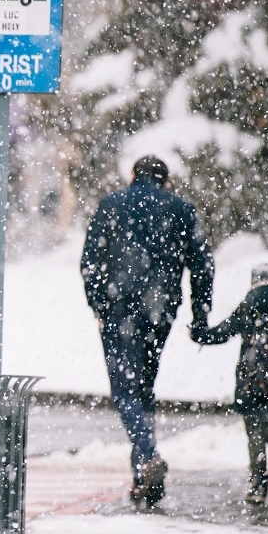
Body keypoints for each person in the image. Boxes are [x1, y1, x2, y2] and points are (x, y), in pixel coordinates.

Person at [80, 155, 214, 508]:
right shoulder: (181, 210)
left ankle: (147, 453)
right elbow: (203, 265)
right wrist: (200, 314)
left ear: (133, 175)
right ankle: (143, 477)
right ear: (165, 181)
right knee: (143, 388)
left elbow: (90, 261)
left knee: (125, 391)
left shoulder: (112, 205)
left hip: (119, 307)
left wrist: (99, 305)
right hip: (161, 310)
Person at [192, 263, 268, 504]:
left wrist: (200, 333)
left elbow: (224, 331)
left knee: (254, 429)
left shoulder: (250, 303)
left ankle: (258, 482)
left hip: (253, 378)